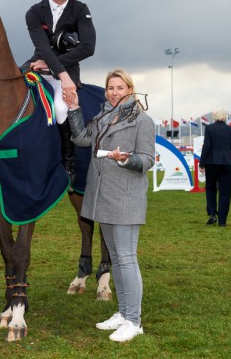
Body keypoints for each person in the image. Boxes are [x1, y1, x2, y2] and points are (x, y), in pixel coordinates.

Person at [66, 69, 155, 342]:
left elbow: (147, 160)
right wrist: (73, 109)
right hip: (102, 196)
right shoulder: (103, 117)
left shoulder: (143, 120)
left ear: (130, 89)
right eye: (110, 88)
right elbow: (82, 138)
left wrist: (126, 159)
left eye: (120, 87)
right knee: (116, 259)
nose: (114, 92)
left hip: (126, 198)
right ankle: (123, 313)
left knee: (127, 258)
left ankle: (134, 321)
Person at [21, 0, 96, 188]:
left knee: (61, 108)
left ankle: (68, 164)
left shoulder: (81, 9)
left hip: (62, 70)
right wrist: (48, 67)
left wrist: (57, 70)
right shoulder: (34, 12)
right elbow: (42, 47)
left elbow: (88, 47)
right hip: (36, 67)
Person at [198, 107, 231, 227]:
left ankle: (212, 214)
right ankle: (222, 221)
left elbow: (207, 146)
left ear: (214, 117)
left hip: (211, 162)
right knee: (225, 192)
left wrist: (202, 163)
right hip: (227, 163)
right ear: (225, 117)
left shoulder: (209, 129)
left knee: (210, 188)